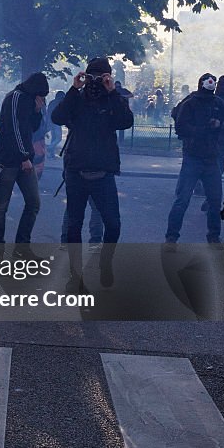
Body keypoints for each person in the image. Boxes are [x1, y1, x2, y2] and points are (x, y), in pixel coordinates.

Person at [51, 57, 134, 282]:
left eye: (102, 76)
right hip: (76, 169)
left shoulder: (112, 100)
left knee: (113, 224)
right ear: (86, 76)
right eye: (93, 76)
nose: (97, 80)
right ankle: (75, 275)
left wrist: (112, 92)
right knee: (74, 225)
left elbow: (126, 121)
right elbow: (56, 117)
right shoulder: (76, 99)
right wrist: (73, 88)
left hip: (103, 171)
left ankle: (105, 263)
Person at [0, 73, 49, 256]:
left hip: (24, 159)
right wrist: (24, 156)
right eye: (41, 95)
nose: (41, 99)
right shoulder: (15, 98)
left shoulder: (29, 101)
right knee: (2, 207)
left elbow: (30, 128)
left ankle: (22, 248)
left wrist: (37, 113)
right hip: (8, 160)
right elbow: (15, 128)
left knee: (33, 203)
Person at [164, 74, 224, 246]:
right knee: (182, 199)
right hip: (193, 157)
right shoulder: (190, 103)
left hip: (210, 157)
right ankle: (171, 237)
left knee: (214, 200)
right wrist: (205, 128)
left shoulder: (217, 103)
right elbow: (181, 127)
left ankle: (213, 237)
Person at [47, 90, 66, 157]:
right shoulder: (59, 103)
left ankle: (51, 154)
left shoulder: (52, 102)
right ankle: (49, 148)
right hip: (56, 123)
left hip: (51, 122)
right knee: (58, 138)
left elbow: (48, 112)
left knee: (54, 137)